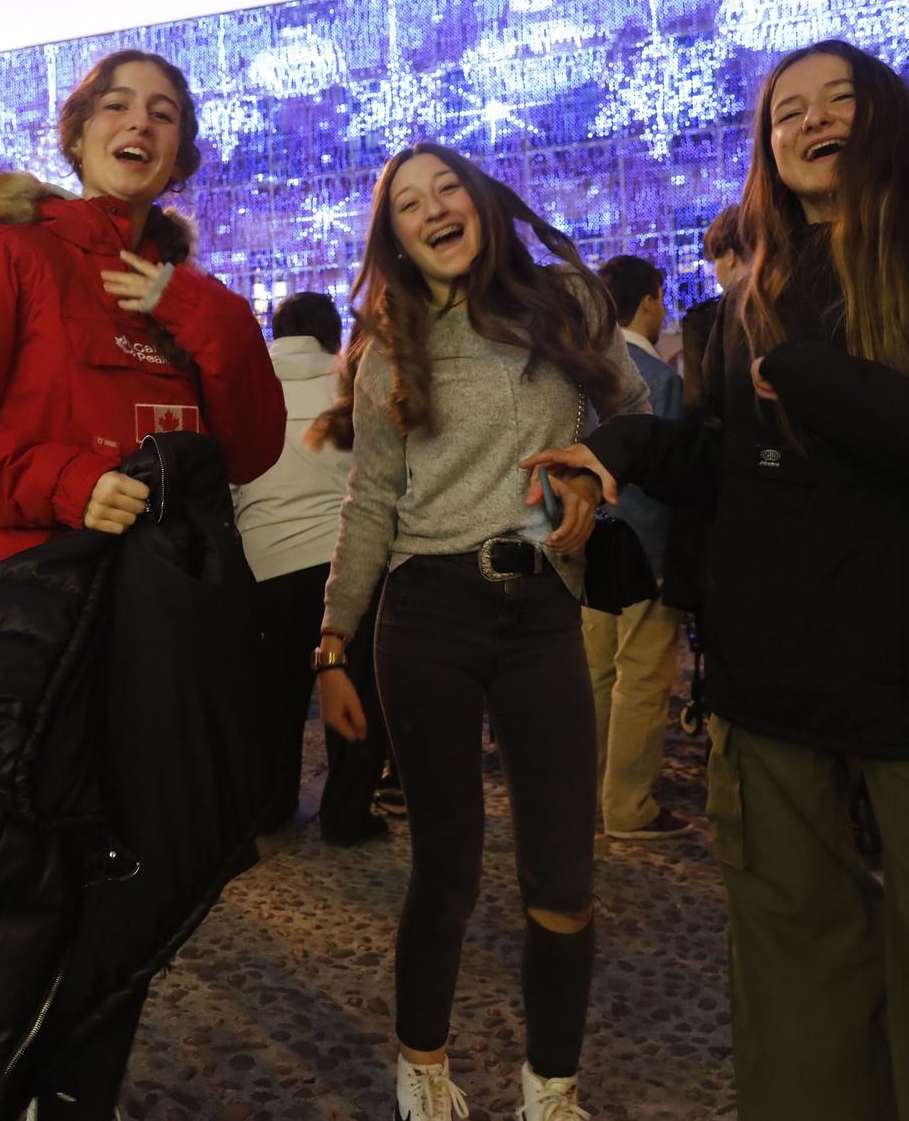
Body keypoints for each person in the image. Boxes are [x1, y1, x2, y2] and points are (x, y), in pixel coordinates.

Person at [525, 39, 909, 1121]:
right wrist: (622, 452)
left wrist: (827, 385)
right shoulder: (754, 303)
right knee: (794, 983)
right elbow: (734, 464)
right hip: (771, 689)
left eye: (837, 100)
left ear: (888, 121)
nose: (809, 120)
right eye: (785, 111)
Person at [0, 48, 284, 1116]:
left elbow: (246, 448)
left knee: (119, 904)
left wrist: (199, 311)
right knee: (5, 907)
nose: (137, 123)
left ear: (180, 150)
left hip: (144, 644)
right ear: (76, 132)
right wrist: (66, 482)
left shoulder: (182, 294)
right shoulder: (9, 258)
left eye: (162, 111)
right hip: (27, 652)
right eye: (116, 105)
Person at [313, 142, 645, 1121]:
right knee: (445, 864)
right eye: (407, 204)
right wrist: (331, 638)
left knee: (564, 870)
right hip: (424, 613)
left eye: (444, 187)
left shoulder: (568, 306)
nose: (431, 209)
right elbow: (368, 501)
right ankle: (420, 1065)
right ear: (396, 237)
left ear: (481, 200)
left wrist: (589, 470)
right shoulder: (388, 349)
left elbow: (636, 414)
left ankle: (550, 1090)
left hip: (541, 605)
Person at [231, 291, 389, 844]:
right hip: (341, 565)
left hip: (264, 565)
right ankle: (347, 815)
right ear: (330, 331)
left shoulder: (245, 388)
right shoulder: (352, 383)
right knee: (353, 696)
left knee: (274, 703)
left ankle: (269, 804)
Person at [583, 255, 694, 842]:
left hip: (589, 543)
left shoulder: (583, 374)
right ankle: (627, 806)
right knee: (643, 678)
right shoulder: (661, 379)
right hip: (647, 548)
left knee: (596, 675)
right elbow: (676, 479)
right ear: (651, 300)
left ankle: (588, 791)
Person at [679, 206, 747, 411]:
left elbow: (696, 401)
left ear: (730, 256)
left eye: (714, 260)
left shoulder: (702, 320)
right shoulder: (788, 301)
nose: (715, 271)